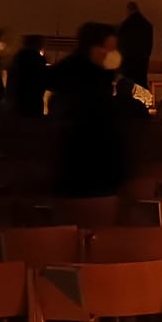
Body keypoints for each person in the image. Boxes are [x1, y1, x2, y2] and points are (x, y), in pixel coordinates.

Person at [49, 22, 131, 197]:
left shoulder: (87, 78)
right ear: (93, 48)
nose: (113, 55)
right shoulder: (87, 84)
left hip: (88, 173)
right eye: (109, 49)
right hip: (86, 170)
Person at [8, 35, 49, 118]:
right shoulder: (38, 59)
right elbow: (45, 80)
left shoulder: (16, 58)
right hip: (33, 104)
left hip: (16, 104)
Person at [118, 2, 154, 82]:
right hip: (142, 60)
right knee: (141, 82)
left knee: (128, 84)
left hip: (129, 60)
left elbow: (122, 42)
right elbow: (149, 44)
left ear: (129, 10)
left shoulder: (126, 24)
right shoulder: (146, 24)